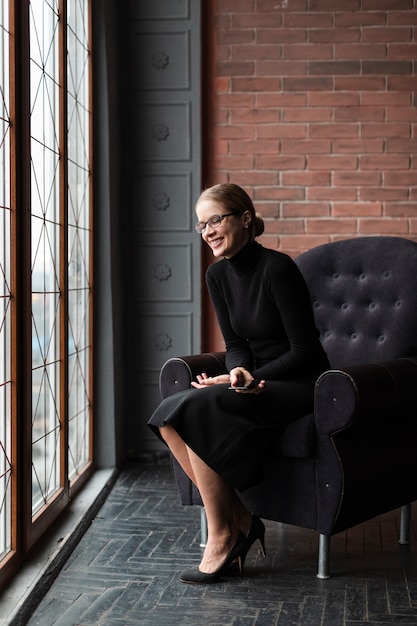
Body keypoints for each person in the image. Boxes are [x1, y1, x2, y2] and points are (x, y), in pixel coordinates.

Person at [147, 183, 329, 584]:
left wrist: (251, 376)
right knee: (168, 415)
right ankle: (242, 518)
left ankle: (224, 534)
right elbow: (235, 345)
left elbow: (306, 353)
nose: (208, 230)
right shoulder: (218, 277)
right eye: (201, 224)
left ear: (245, 219)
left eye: (215, 220)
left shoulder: (278, 269)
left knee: (200, 407)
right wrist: (236, 371)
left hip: (301, 382)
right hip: (257, 379)